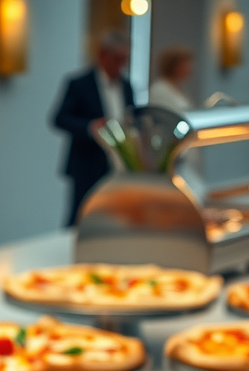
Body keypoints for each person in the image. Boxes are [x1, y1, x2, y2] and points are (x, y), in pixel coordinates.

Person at [51, 30, 133, 227]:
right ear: (103, 56)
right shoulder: (80, 84)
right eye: (117, 59)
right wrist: (90, 127)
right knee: (81, 216)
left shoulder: (126, 85)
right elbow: (59, 119)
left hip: (117, 163)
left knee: (113, 216)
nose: (121, 65)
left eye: (125, 60)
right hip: (87, 163)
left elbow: (132, 117)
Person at [149, 45, 194, 113]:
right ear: (173, 66)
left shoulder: (177, 87)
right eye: (185, 64)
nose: (189, 68)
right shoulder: (160, 89)